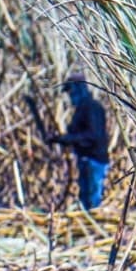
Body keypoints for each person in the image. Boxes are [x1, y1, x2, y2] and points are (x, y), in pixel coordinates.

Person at [50, 74, 109, 211]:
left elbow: (92, 136)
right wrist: (61, 139)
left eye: (72, 92)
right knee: (85, 197)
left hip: (94, 160)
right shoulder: (82, 109)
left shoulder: (92, 108)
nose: (70, 97)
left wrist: (67, 139)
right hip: (86, 160)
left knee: (92, 200)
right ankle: (90, 224)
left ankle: (94, 227)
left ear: (80, 89)